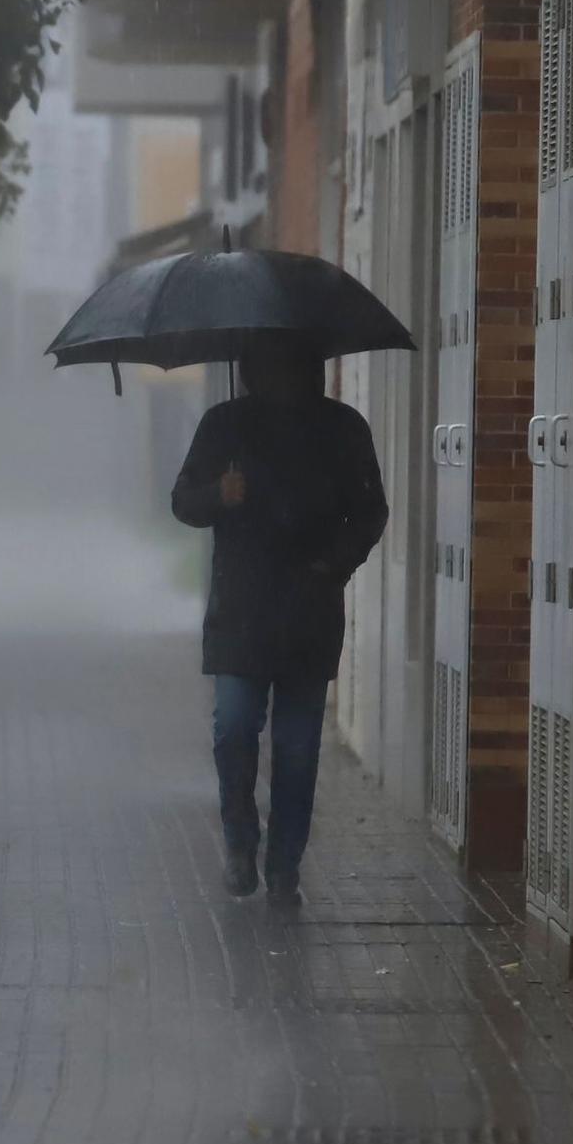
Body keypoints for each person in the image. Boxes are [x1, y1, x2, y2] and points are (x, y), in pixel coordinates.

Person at [171, 332, 388, 905]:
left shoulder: (342, 429)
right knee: (234, 729)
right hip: (240, 610)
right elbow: (184, 501)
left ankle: (284, 864)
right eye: (269, 366)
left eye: (293, 365)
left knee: (297, 748)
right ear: (252, 368)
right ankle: (241, 845)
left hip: (308, 610)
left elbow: (369, 512)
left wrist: (330, 565)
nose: (282, 376)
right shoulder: (225, 426)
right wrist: (220, 492)